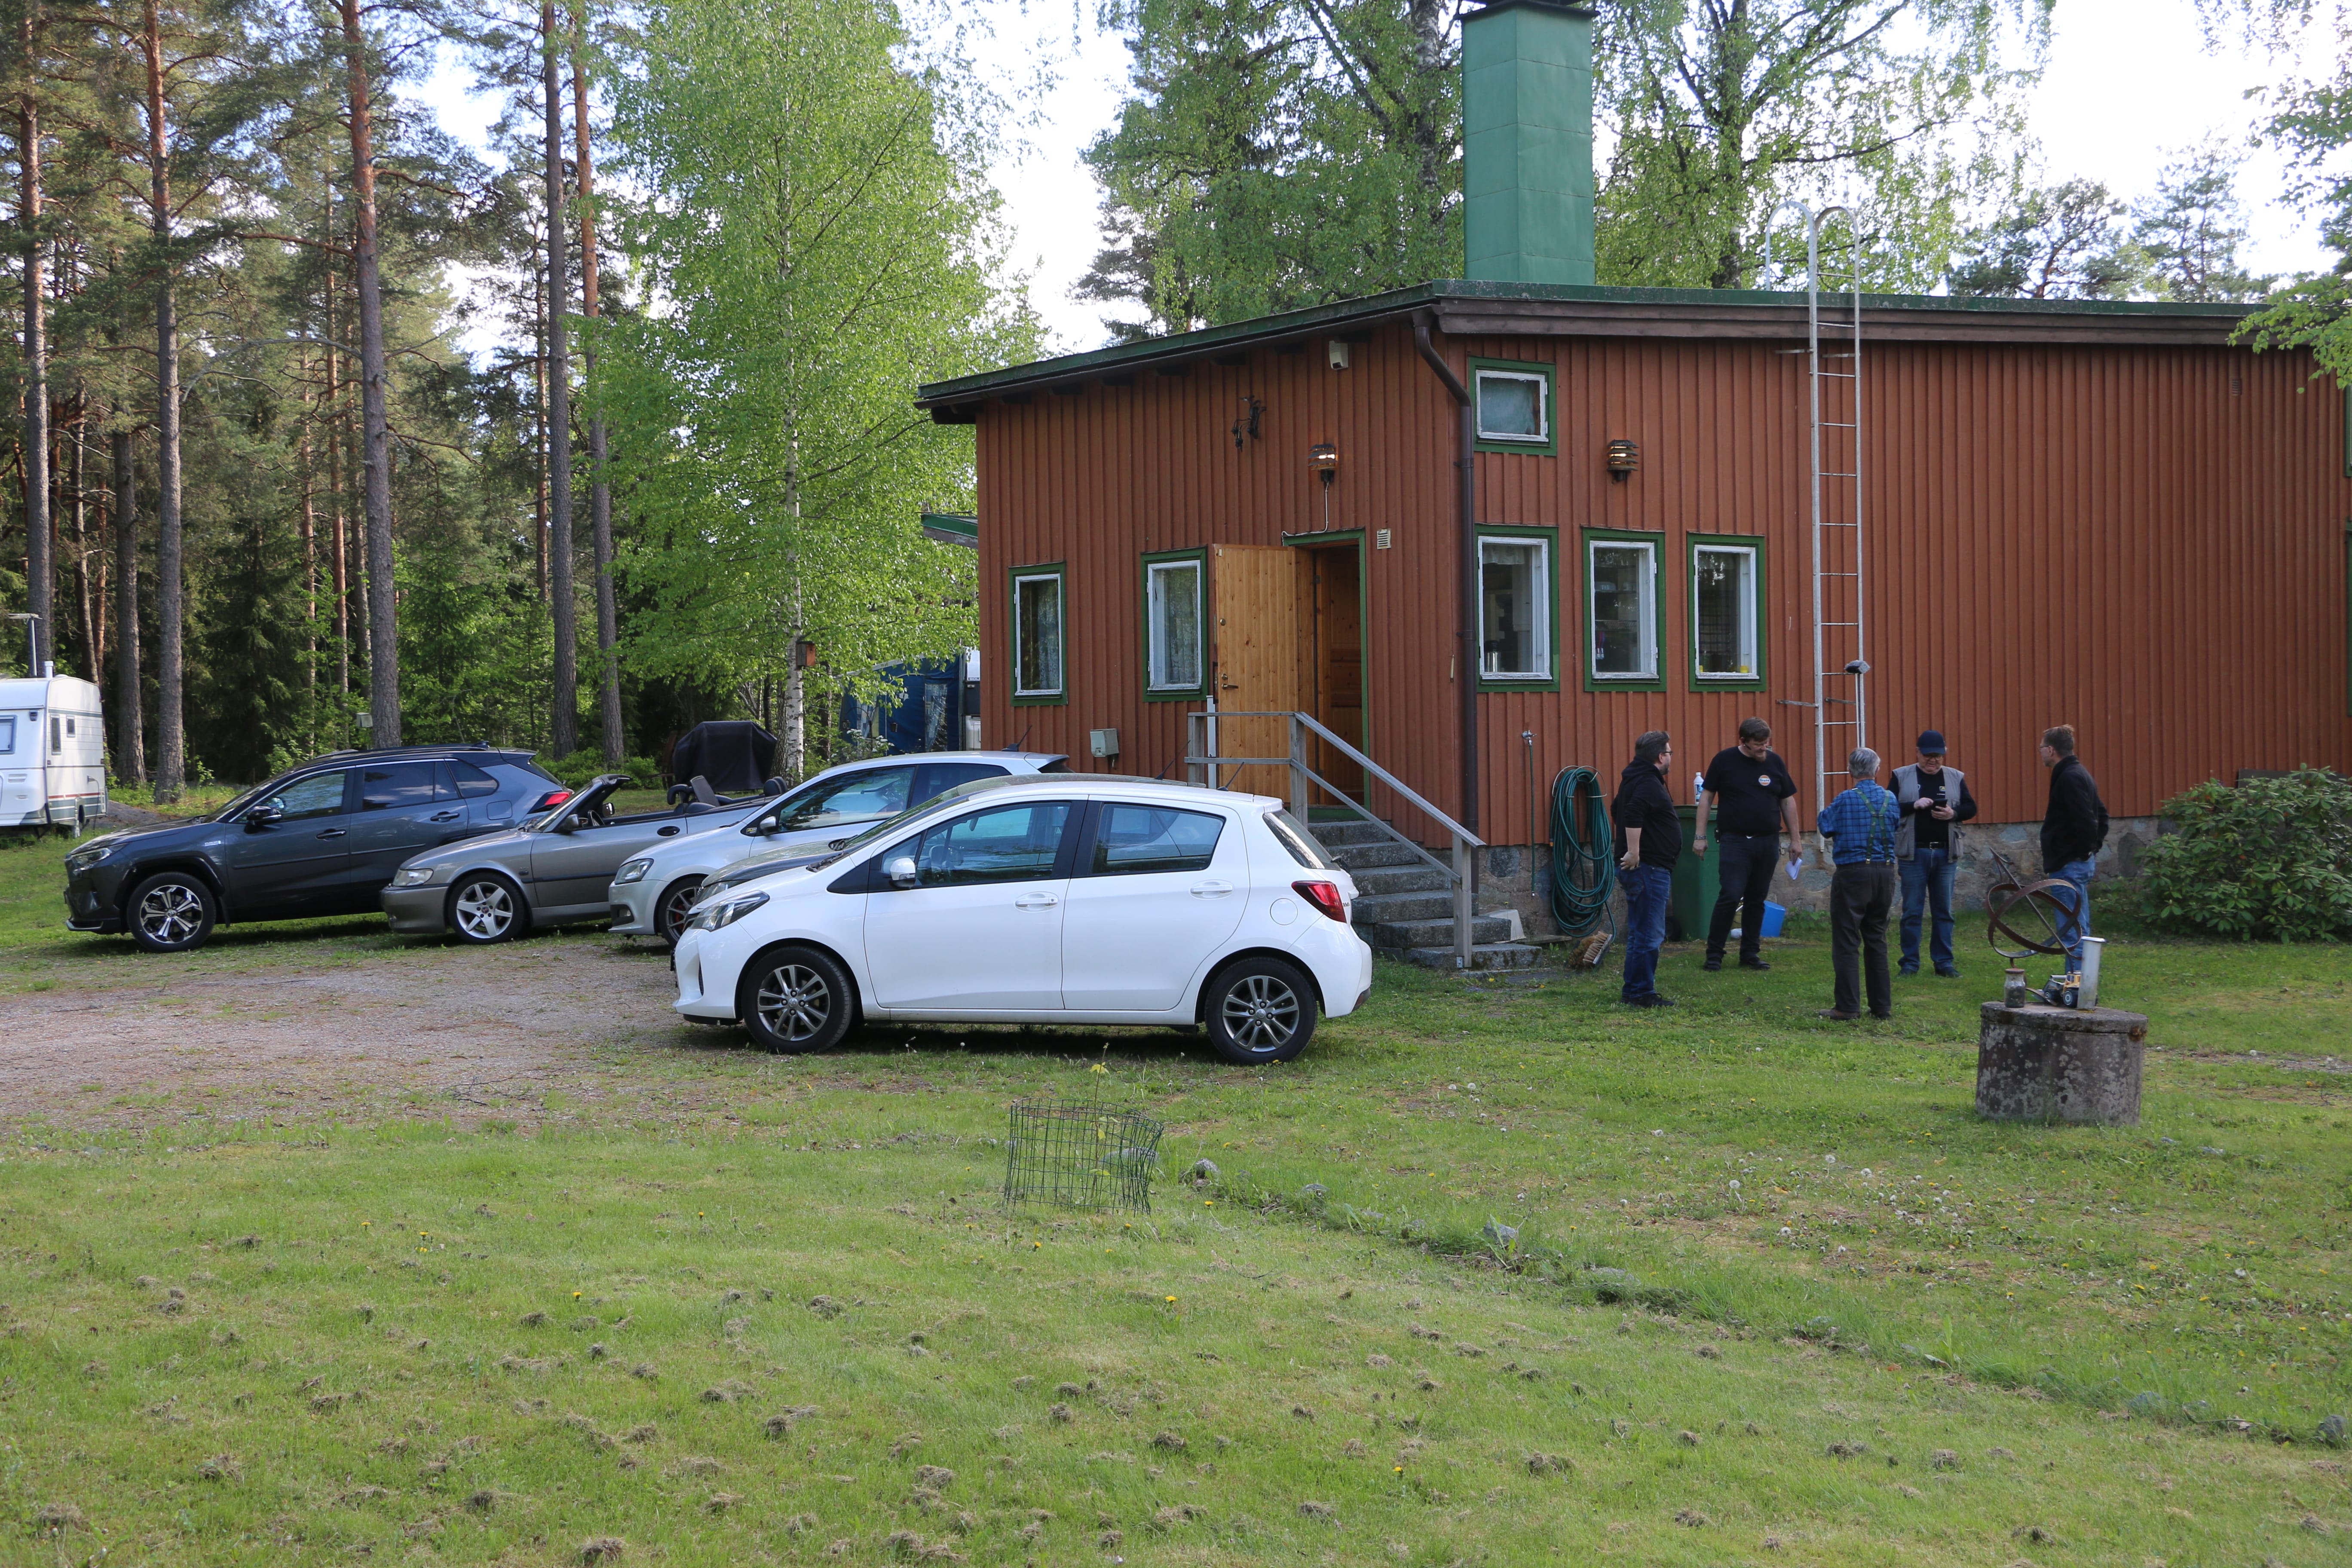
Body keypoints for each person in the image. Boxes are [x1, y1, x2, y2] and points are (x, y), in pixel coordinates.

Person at [1693, 717, 1803, 972]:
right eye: (1758, 745)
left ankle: (1750, 953)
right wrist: (1700, 836)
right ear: (1743, 742)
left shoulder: (1775, 762)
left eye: (1767, 743)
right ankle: (1714, 954)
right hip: (1735, 841)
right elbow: (1707, 797)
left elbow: (1787, 801)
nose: (1764, 748)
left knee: (1757, 898)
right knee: (1731, 895)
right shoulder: (1724, 761)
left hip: (1767, 841)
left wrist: (1796, 840)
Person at [1814, 748, 1900, 1021]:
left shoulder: (1845, 799)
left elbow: (1825, 825)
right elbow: (1896, 826)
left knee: (1847, 940)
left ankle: (1848, 1006)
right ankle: (1881, 1007)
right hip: (1885, 873)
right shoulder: (1891, 799)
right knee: (1877, 938)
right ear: (1877, 770)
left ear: (1851, 771)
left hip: (1853, 873)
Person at [1893, 730, 1978, 978]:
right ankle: (1910, 963)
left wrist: (1954, 814)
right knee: (1912, 912)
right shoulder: (1901, 776)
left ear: (1945, 754)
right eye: (1928, 756)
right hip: (1913, 854)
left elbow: (1971, 807)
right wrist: (1913, 806)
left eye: (1938, 756)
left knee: (1944, 912)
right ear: (1917, 753)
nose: (1934, 760)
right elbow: (1889, 808)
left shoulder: (1955, 777)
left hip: (1945, 854)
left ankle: (1944, 963)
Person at [1611, 731, 1679, 1009]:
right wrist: (1634, 851)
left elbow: (1617, 808)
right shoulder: (1648, 782)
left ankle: (1634, 990)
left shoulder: (1633, 778)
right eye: (1670, 753)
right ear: (1661, 757)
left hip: (1646, 867)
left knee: (1641, 933)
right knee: (1650, 935)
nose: (1671, 757)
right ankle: (1641, 993)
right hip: (1648, 868)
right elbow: (1632, 812)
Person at [2039, 724, 2109, 963]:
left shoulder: (2069, 777)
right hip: (2074, 862)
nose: (2041, 753)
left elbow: (2087, 820)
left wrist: (2084, 852)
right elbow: (2102, 815)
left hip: (2070, 865)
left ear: (2051, 750)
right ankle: (2081, 980)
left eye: (2041, 748)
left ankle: (2077, 981)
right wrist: (2091, 850)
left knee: (2072, 932)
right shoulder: (2078, 773)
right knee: (2079, 927)